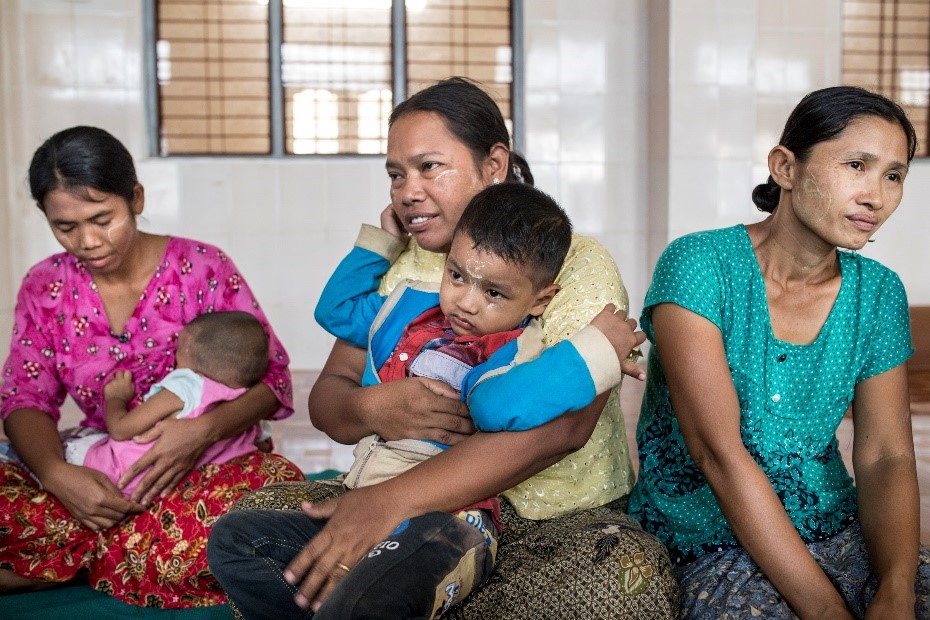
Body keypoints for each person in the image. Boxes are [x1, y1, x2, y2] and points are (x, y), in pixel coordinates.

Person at [210, 77, 678, 619]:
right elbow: (329, 404)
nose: (407, 190)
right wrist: (374, 407)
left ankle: (382, 596)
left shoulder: (571, 263)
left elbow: (563, 431)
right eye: (395, 174)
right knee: (249, 524)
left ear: (494, 165)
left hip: (548, 525)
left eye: (429, 167)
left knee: (622, 580)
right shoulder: (402, 268)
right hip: (395, 497)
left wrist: (387, 502)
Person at [628, 85, 930, 618]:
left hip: (832, 524)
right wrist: (826, 610)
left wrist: (896, 588)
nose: (876, 196)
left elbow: (887, 455)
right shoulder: (700, 267)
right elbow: (718, 454)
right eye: (856, 165)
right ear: (785, 168)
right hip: (710, 536)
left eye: (894, 175)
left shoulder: (878, 293)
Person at [0, 126, 303, 608]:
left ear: (135, 198)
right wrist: (59, 475)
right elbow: (24, 396)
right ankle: (117, 552)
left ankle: (58, 563)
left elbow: (273, 379)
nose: (89, 241)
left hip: (207, 469)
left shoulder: (202, 267)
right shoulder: (45, 286)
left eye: (103, 218)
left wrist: (203, 431)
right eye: (66, 227)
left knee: (265, 507)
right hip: (104, 474)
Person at [62, 310, 274, 498]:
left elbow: (120, 429)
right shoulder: (243, 406)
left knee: (67, 443)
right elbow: (262, 444)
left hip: (119, 476)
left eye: (179, 346)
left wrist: (116, 398)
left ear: (188, 350)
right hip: (169, 492)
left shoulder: (186, 386)